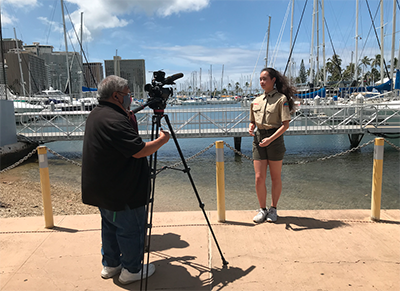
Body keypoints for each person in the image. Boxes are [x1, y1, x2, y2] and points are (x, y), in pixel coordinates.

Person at [81, 75, 170, 284]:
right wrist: (161, 140)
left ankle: (111, 265)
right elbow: (139, 151)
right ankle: (132, 270)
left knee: (110, 226)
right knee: (131, 229)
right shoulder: (114, 119)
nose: (130, 97)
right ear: (116, 96)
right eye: (127, 93)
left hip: (103, 189)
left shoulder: (98, 114)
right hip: (122, 190)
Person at [249, 68, 296, 223]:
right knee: (258, 177)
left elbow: (285, 125)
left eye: (265, 79)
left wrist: (270, 140)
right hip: (259, 139)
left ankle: (273, 208)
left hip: (275, 138)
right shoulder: (256, 100)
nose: (262, 82)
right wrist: (250, 126)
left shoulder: (281, 99)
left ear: (273, 80)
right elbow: (252, 121)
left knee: (275, 177)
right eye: (260, 79)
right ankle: (262, 209)